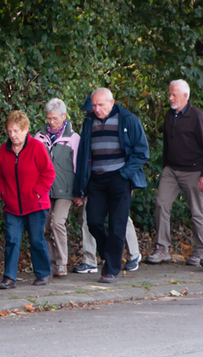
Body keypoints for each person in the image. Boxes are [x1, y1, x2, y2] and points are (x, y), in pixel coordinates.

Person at [73, 88, 149, 283]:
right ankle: (111, 254)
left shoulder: (128, 119)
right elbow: (83, 156)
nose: (97, 109)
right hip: (96, 180)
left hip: (119, 179)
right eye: (94, 105)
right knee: (93, 221)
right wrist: (79, 188)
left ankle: (111, 270)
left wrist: (124, 174)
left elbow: (142, 152)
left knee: (117, 225)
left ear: (112, 102)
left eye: (101, 105)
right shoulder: (89, 121)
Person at [0, 110, 55, 289]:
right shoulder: (4, 150)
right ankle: (9, 277)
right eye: (9, 131)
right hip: (12, 205)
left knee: (37, 239)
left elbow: (49, 173)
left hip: (35, 204)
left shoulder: (36, 147)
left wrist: (37, 192)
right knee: (12, 240)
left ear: (26, 129)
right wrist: (3, 193)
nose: (12, 135)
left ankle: (43, 273)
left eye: (16, 131)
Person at [145, 80, 203, 266]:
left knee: (197, 212)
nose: (170, 98)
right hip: (171, 169)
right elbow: (168, 144)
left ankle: (200, 252)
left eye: (174, 95)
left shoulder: (197, 116)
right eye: (169, 94)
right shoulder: (170, 116)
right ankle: (162, 249)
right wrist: (165, 166)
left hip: (194, 170)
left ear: (185, 96)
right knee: (161, 204)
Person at [34, 98, 80, 277]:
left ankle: (62, 263)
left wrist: (79, 192)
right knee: (45, 226)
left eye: (55, 118)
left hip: (66, 190)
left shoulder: (73, 138)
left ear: (64, 116)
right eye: (48, 118)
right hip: (45, 189)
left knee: (57, 222)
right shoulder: (39, 137)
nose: (51, 122)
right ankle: (50, 263)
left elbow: (78, 166)